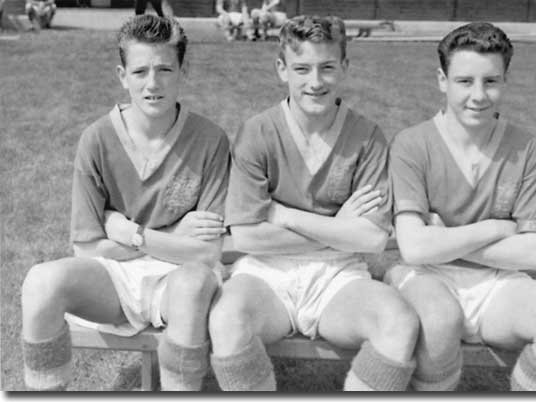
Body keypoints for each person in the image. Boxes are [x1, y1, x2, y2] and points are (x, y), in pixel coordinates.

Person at [208, 15, 419, 392]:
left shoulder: (366, 136)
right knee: (227, 317)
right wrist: (339, 228)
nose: (315, 81)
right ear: (281, 69)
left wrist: (285, 215)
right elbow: (247, 237)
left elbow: (371, 241)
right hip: (265, 272)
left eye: (327, 67)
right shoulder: (257, 132)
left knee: (398, 320)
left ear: (345, 68)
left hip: (339, 274)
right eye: (302, 68)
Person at [21, 15, 230, 391]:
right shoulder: (96, 139)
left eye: (165, 68)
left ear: (183, 70)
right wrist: (172, 236)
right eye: (140, 72)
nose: (153, 83)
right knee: (41, 281)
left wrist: (132, 233)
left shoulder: (211, 139)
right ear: (122, 76)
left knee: (194, 285)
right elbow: (86, 248)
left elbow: (208, 253)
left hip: (180, 277)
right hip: (114, 278)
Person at [385, 21, 536, 392]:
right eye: (464, 81)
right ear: (442, 80)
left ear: (504, 80)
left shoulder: (524, 148)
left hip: (497, 284)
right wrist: (494, 228)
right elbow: (414, 248)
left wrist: (445, 238)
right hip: (427, 277)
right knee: (438, 318)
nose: (478, 95)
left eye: (490, 81)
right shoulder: (412, 144)